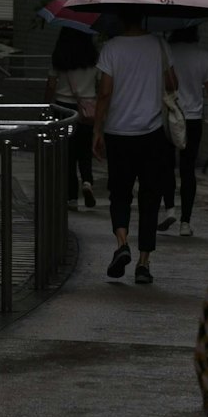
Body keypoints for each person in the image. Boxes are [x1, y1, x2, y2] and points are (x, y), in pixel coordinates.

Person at [92, 15, 178, 285]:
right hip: (153, 134)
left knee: (120, 194)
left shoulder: (111, 48)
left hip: (118, 133)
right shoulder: (160, 45)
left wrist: (97, 130)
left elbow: (104, 92)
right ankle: (143, 263)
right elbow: (173, 84)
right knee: (150, 197)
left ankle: (122, 244)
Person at [162, 26, 208, 236]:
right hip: (193, 119)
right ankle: (185, 222)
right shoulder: (203, 56)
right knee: (188, 170)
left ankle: (169, 209)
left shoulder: (166, 51)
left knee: (166, 165)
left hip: (169, 116)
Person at [45, 26, 100, 209]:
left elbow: (51, 85)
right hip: (87, 109)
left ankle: (71, 198)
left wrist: (45, 105)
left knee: (67, 153)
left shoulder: (60, 57)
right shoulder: (94, 57)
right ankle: (87, 182)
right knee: (85, 149)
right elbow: (100, 83)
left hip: (63, 109)